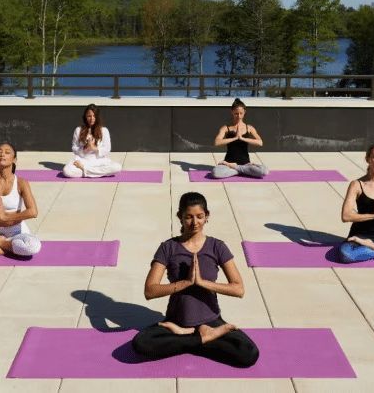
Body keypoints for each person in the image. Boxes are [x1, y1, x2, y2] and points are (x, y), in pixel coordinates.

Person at [132, 192, 259, 368]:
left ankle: (190, 339)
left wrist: (201, 282)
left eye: (199, 216)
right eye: (189, 217)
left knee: (249, 353)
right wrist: (184, 284)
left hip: (211, 321)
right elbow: (150, 291)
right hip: (177, 322)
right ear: (180, 217)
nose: (194, 222)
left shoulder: (217, 247)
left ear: (207, 216)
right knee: (141, 343)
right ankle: (201, 337)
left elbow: (239, 289)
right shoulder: (168, 247)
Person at [211, 98, 268, 179]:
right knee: (215, 173)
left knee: (264, 171)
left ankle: (238, 169)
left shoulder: (249, 128)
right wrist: (235, 138)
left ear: (244, 112)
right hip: (228, 164)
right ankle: (242, 170)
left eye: (241, 113)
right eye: (236, 113)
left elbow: (260, 142)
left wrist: (242, 138)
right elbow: (217, 142)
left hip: (245, 164)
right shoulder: (226, 128)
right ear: (232, 112)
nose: (239, 116)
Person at [63, 104, 122, 178]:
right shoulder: (78, 130)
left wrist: (94, 148)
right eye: (89, 116)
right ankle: (96, 173)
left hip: (98, 161)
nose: (92, 118)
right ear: (85, 117)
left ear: (97, 117)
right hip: (82, 160)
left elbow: (107, 149)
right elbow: (74, 148)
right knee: (67, 171)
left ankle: (84, 170)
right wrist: (85, 148)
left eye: (94, 116)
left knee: (117, 167)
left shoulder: (104, 131)